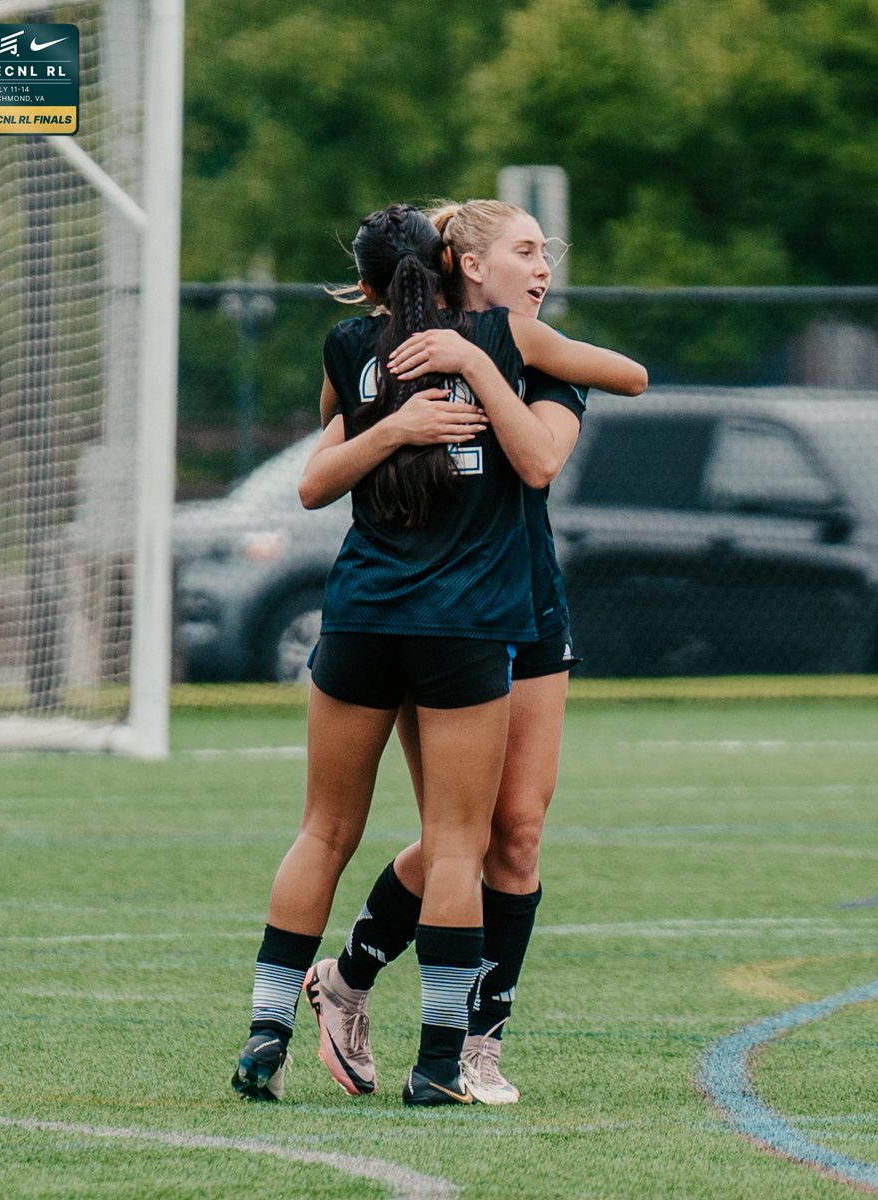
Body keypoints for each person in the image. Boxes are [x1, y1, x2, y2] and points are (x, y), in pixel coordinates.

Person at [231, 202, 646, 1107]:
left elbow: (543, 454)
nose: (544, 268)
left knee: (515, 833)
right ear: (464, 262)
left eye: (548, 253)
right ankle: (410, 1025)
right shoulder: (416, 345)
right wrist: (401, 402)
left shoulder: (524, 348)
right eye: (526, 251)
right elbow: (322, 456)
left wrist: (467, 364)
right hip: (457, 615)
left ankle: (466, 1041)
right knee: (463, 838)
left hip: (519, 609)